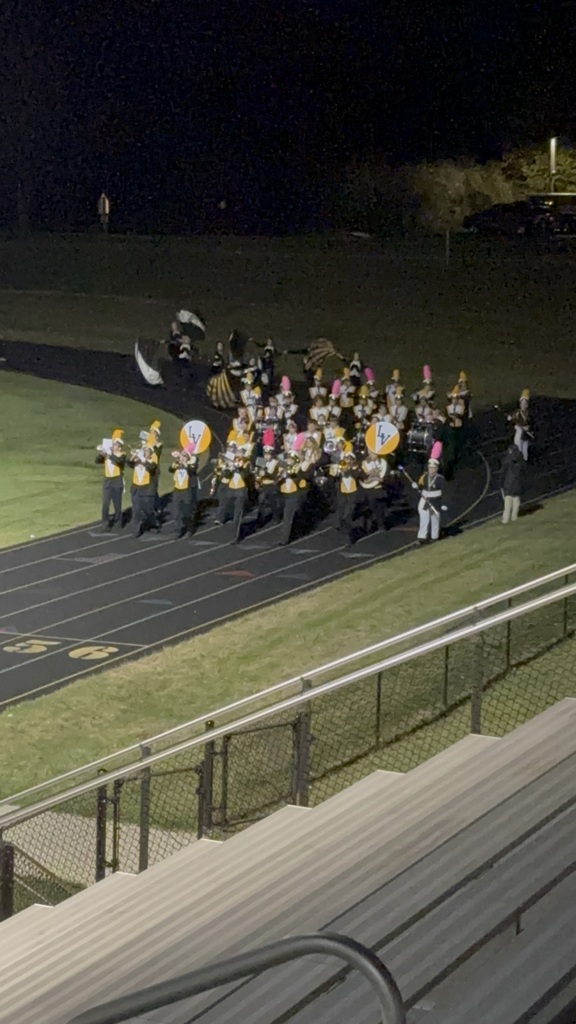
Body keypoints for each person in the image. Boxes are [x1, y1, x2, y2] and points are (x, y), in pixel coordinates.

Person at [95, 429, 126, 530]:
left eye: (116, 445)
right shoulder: (108, 455)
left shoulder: (122, 455)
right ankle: (105, 523)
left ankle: (118, 521)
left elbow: (118, 461)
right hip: (107, 480)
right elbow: (97, 461)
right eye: (113, 444)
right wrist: (101, 453)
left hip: (117, 480)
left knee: (117, 504)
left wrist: (109, 454)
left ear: (120, 447)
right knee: (105, 503)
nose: (113, 446)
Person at [128, 444, 159, 538]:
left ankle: (153, 523)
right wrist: (133, 456)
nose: (145, 453)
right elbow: (129, 463)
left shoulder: (152, 462)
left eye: (147, 451)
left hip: (147, 490)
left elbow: (151, 468)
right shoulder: (137, 461)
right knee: (136, 510)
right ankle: (136, 530)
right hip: (136, 489)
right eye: (144, 451)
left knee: (148, 510)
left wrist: (143, 459)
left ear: (151, 453)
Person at [414, 458, 446, 543]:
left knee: (435, 518)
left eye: (433, 468)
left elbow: (444, 491)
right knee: (424, 518)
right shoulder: (424, 477)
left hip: (436, 500)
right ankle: (422, 537)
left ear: (436, 469)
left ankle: (434, 537)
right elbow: (420, 486)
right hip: (425, 499)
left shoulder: (440, 479)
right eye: (430, 468)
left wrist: (443, 503)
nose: (431, 470)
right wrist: (416, 486)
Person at [169, 448, 199, 538]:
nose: (182, 457)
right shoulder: (177, 464)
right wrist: (177, 461)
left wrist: (185, 463)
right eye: (181, 456)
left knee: (187, 512)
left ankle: (190, 529)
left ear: (188, 458)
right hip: (177, 490)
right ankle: (178, 531)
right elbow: (170, 469)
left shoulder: (190, 466)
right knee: (176, 512)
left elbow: (192, 471)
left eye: (184, 456)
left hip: (186, 491)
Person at [501, 444, 523, 524]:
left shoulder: (507, 460)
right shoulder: (520, 460)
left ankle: (505, 519)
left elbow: (503, 472)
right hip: (517, 482)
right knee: (516, 500)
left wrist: (501, 483)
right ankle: (514, 516)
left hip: (508, 482)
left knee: (507, 501)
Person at [508, 389, 532, 462]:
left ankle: (525, 461)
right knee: (519, 449)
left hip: (526, 436)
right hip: (520, 435)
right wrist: (511, 419)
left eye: (525, 404)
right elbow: (513, 420)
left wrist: (528, 427)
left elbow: (530, 422)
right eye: (522, 403)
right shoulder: (517, 412)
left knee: (525, 452)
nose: (523, 405)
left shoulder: (528, 413)